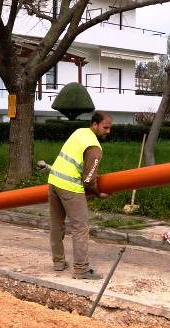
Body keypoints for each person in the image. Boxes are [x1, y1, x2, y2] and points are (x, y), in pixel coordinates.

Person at [47, 111, 112, 280]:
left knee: (56, 224)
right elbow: (89, 180)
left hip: (54, 180)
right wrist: (99, 193)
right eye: (105, 127)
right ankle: (81, 269)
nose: (108, 131)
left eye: (110, 128)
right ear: (95, 125)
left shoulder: (79, 132)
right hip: (69, 185)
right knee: (80, 228)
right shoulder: (95, 149)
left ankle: (58, 262)